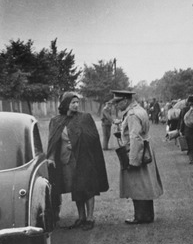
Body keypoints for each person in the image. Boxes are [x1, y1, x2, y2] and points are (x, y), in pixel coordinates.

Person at [46, 92, 109, 230]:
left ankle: (90, 218)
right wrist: (50, 157)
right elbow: (52, 140)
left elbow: (92, 138)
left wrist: (76, 143)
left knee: (87, 187)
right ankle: (81, 217)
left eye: (77, 102)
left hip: (84, 158)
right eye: (73, 102)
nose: (76, 105)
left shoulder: (84, 118)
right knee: (76, 188)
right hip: (67, 161)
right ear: (65, 104)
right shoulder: (56, 121)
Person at [111, 90, 164, 224]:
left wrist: (133, 160)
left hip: (136, 150)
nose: (116, 105)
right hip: (144, 149)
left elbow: (135, 137)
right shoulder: (139, 110)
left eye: (118, 102)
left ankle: (140, 216)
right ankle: (147, 215)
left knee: (137, 185)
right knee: (145, 184)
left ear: (125, 100)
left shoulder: (132, 114)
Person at [178, 95, 193, 164]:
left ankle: (191, 160)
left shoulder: (185, 109)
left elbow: (182, 120)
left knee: (190, 145)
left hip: (187, 129)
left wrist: (181, 130)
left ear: (188, 102)